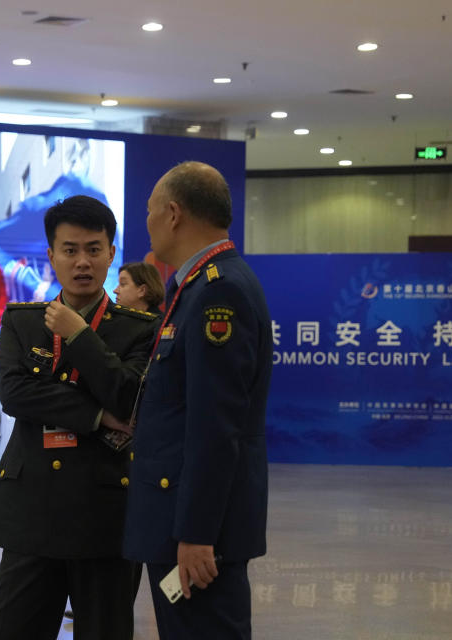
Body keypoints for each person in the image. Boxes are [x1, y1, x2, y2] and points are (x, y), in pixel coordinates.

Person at [0, 195, 159, 640]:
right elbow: (16, 394)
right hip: (31, 513)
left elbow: (130, 396)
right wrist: (97, 415)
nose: (82, 262)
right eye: (70, 249)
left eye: (94, 250)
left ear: (111, 254)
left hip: (105, 515)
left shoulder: (138, 328)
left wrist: (79, 336)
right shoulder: (22, 323)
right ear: (51, 256)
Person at [123, 162, 273, 639]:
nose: (145, 221)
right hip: (180, 522)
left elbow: (214, 427)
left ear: (172, 214)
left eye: (149, 211)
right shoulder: (195, 287)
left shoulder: (217, 292)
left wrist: (197, 533)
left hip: (195, 535)